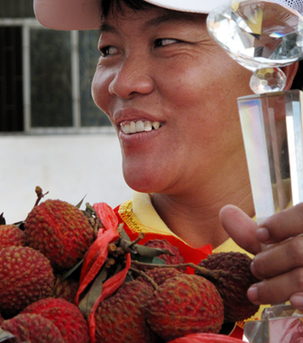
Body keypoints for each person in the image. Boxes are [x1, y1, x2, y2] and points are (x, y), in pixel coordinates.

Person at [34, 0, 303, 336]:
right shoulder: (68, 267)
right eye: (109, 48)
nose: (122, 83)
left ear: (274, 67)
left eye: (165, 42)